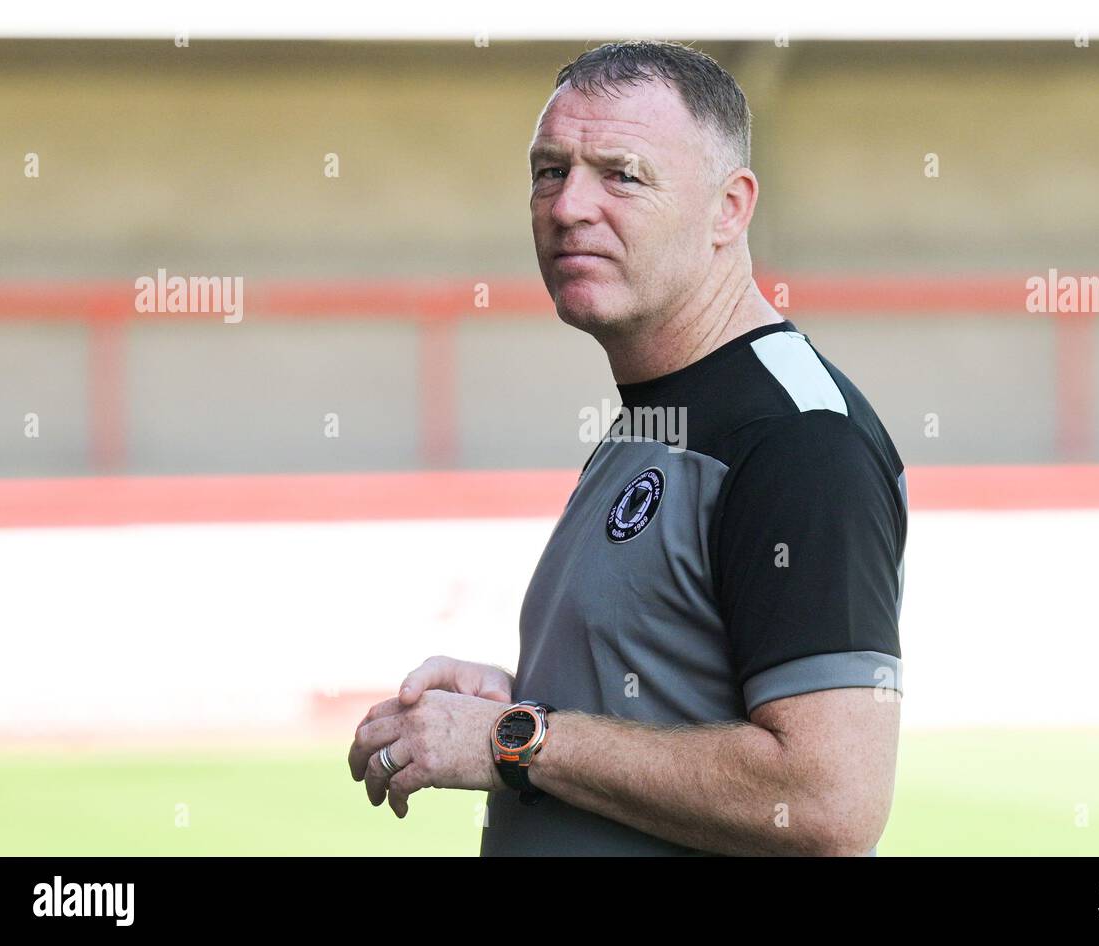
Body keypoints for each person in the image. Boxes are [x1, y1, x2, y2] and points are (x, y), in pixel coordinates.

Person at [348, 39, 907, 856]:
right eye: (549, 170)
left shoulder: (797, 438)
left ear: (730, 208)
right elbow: (671, 705)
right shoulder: (660, 411)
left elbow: (827, 800)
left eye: (622, 173)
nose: (570, 205)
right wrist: (517, 706)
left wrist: (514, 739)